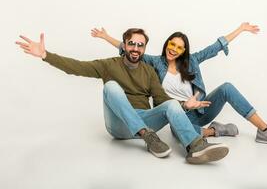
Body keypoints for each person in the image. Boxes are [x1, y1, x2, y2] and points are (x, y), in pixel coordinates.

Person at [15, 28, 230, 164]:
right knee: (111, 86)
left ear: (144, 48)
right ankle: (147, 136)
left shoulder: (149, 70)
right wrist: (45, 55)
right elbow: (76, 67)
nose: (135, 48)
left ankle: (195, 148)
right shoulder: (109, 65)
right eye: (131, 43)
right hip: (119, 126)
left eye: (140, 45)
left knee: (173, 103)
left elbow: (163, 101)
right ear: (124, 45)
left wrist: (185, 105)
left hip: (146, 119)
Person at [91, 23, 267, 147]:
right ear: (166, 44)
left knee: (227, 87)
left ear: (184, 50)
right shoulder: (155, 62)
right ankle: (215, 131)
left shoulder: (193, 60)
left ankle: (265, 131)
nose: (174, 49)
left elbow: (216, 47)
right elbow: (129, 48)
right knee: (180, 134)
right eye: (172, 44)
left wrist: (240, 29)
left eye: (179, 47)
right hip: (176, 113)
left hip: (200, 110)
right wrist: (105, 36)